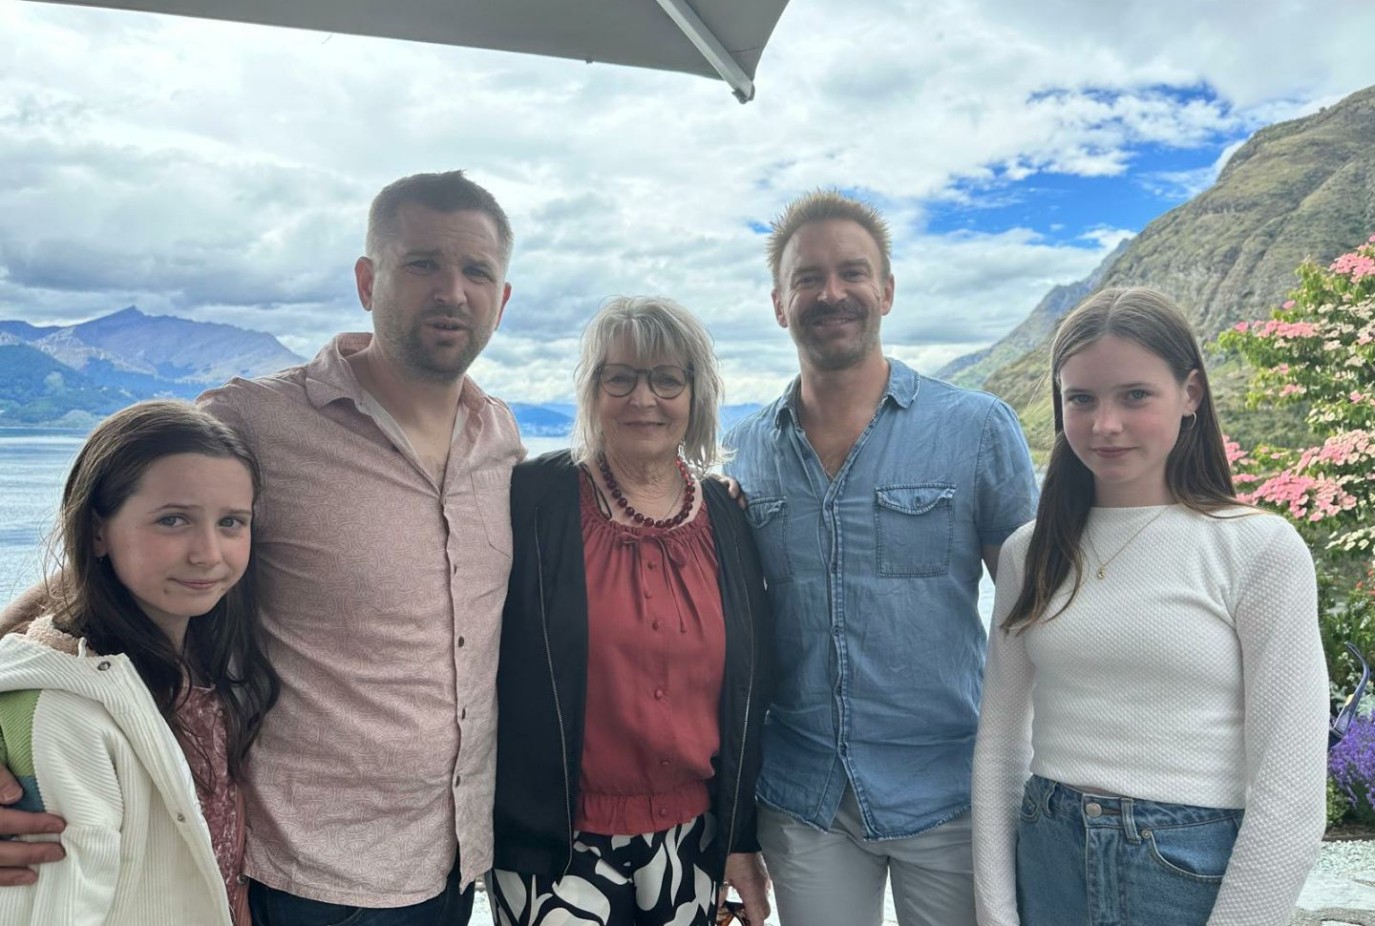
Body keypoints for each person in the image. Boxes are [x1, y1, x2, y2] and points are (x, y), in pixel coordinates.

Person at [0, 170, 523, 925]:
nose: (453, 290)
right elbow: (106, 552)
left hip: (456, 860)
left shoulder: (500, 438)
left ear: (502, 299)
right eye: (422, 264)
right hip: (305, 876)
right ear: (367, 280)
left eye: (477, 270)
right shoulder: (257, 421)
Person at [723, 191, 1038, 926]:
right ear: (778, 302)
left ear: (886, 291)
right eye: (807, 278)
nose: (830, 293)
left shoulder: (975, 428)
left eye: (851, 273)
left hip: (950, 791)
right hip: (804, 798)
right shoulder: (746, 450)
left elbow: (1032, 614)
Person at [970, 288, 1327, 925]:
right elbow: (1001, 745)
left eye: (1135, 395)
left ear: (1190, 394)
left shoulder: (1258, 550)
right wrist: (996, 911)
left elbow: (1290, 788)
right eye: (1081, 398)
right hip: (1049, 856)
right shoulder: (1033, 551)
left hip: (1189, 870)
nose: (1105, 423)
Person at [490, 296, 774, 926]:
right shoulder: (532, 501)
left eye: (667, 379)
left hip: (692, 845)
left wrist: (738, 836)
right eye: (619, 377)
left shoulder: (728, 519)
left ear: (696, 394)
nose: (643, 399)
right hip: (552, 848)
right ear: (592, 391)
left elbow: (749, 696)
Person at [0, 400, 279, 925]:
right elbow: (55, 907)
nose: (208, 553)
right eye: (173, 520)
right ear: (98, 530)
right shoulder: (64, 712)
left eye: (232, 522)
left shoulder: (209, 663)